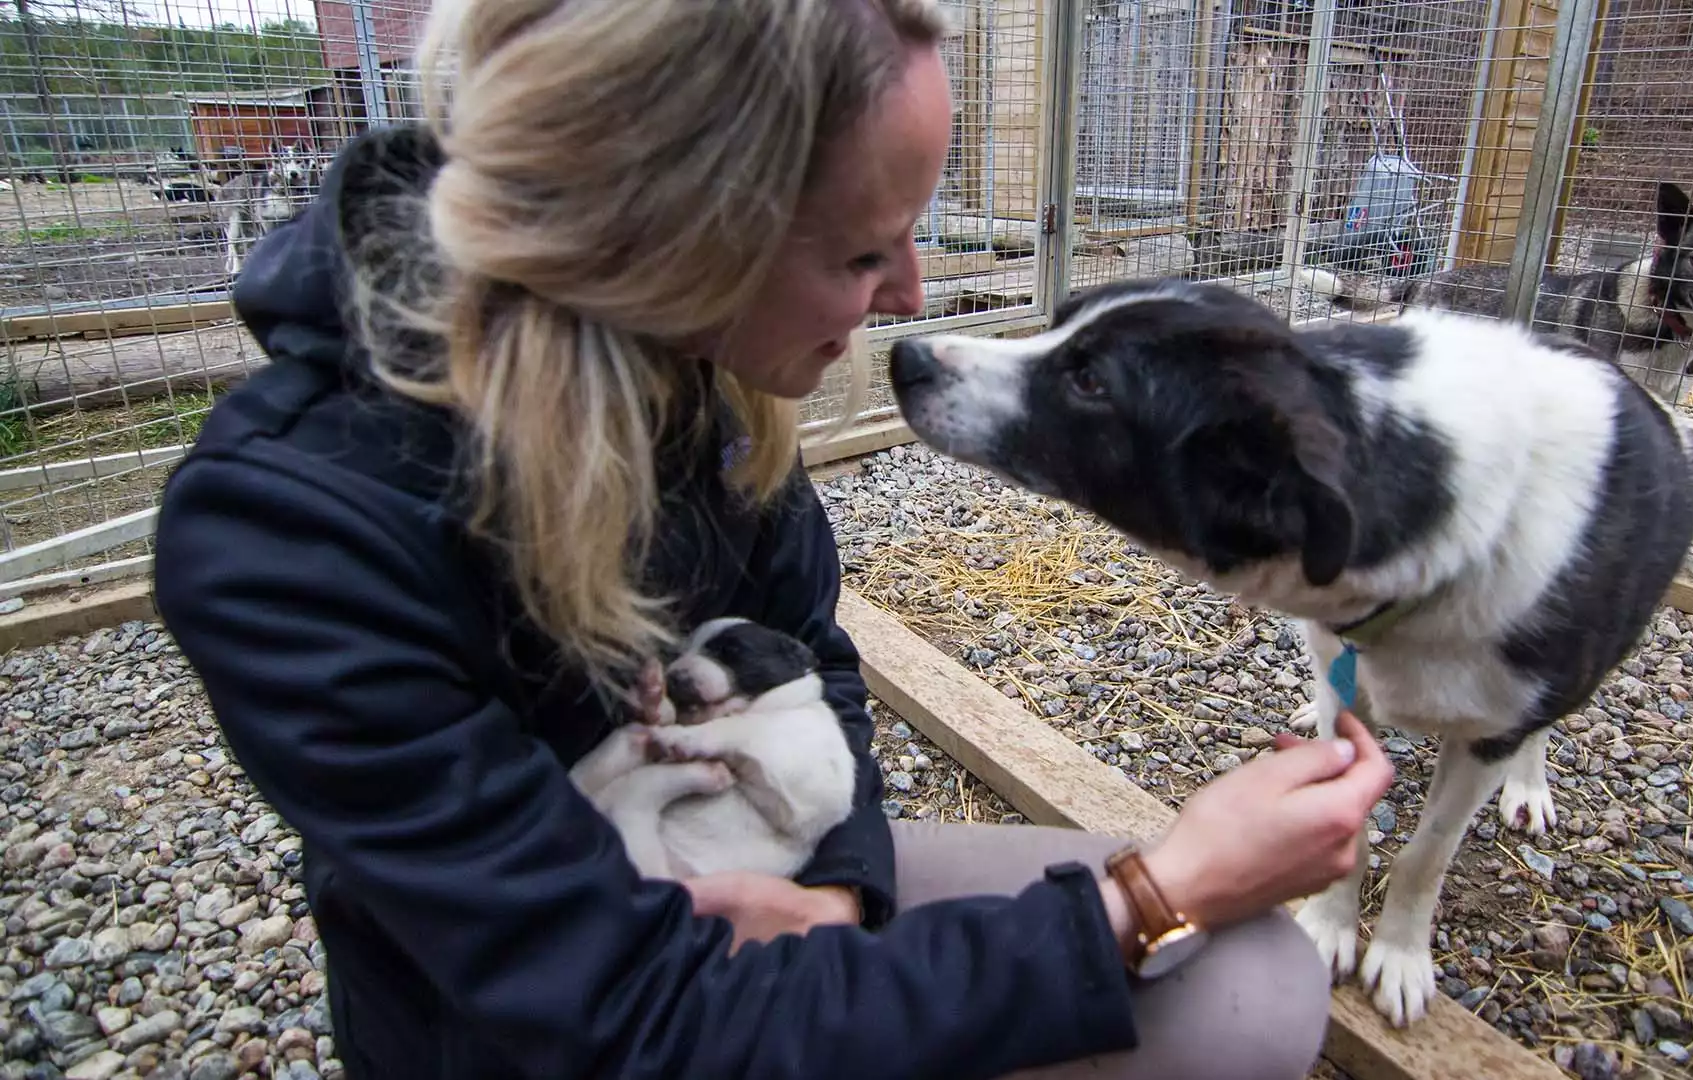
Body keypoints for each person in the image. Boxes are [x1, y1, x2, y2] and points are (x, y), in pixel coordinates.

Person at [149, 1, 1397, 1078]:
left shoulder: (707, 386)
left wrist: (838, 890)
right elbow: (638, 1022)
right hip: (558, 1029)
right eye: (862, 249)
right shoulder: (290, 535)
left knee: (1257, 987)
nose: (910, 295)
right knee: (1188, 950)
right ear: (671, 240)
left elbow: (811, 656)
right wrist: (1146, 900)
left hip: (747, 880)